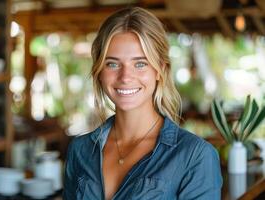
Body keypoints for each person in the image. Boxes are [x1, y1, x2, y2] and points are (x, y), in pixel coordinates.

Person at [63, 7, 222, 200]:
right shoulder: (80, 150)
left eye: (140, 64)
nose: (125, 77)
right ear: (99, 71)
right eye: (112, 63)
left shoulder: (195, 156)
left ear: (159, 70)